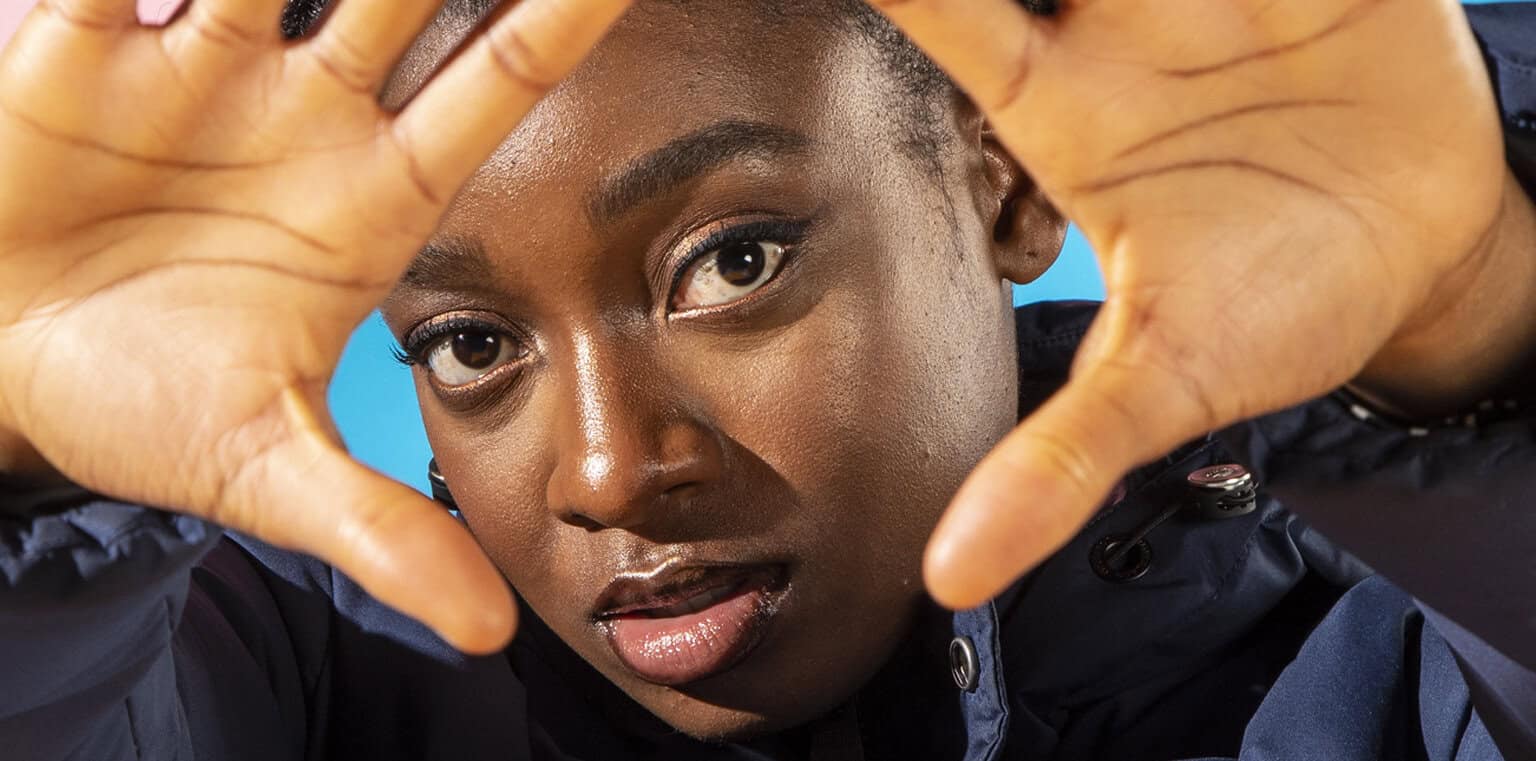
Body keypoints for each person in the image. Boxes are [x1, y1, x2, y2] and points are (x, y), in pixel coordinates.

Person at [1, 0, 1534, 758]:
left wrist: (1475, 320)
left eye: (732, 262)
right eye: (471, 345)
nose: (608, 469)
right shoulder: (307, 680)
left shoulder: (1388, 659)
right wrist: (24, 466)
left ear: (1004, 187)